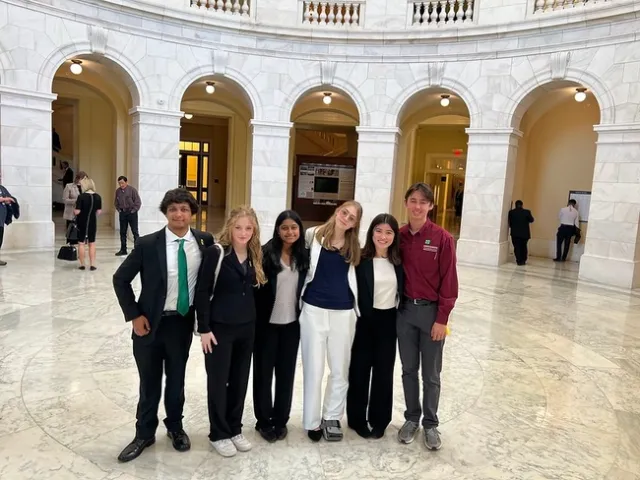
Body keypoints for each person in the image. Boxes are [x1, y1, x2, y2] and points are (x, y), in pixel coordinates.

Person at [113, 188, 214, 463]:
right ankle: (144, 433)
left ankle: (175, 427)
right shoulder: (148, 244)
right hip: (149, 325)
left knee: (177, 380)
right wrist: (134, 315)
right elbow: (120, 279)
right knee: (149, 382)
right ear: (165, 213)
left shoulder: (204, 242)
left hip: (181, 323)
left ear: (193, 213)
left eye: (184, 209)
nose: (178, 214)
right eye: (173, 209)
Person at [195, 206, 266, 458]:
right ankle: (219, 433)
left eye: (248, 228)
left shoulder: (255, 254)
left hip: (246, 328)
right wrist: (203, 328)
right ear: (230, 227)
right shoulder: (217, 253)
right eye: (238, 227)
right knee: (218, 381)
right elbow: (202, 292)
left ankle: (235, 428)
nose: (243, 232)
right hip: (219, 329)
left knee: (239, 380)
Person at [397, 182, 458, 451]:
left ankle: (431, 424)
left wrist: (442, 319)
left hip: (432, 314)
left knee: (431, 374)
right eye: (413, 200)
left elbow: (450, 282)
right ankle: (412, 418)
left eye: (423, 201)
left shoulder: (443, 238)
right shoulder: (398, 236)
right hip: (405, 312)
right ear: (406, 203)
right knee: (409, 370)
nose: (418, 206)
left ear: (431, 206)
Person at [299, 200, 363, 443]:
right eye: (344, 212)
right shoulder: (312, 235)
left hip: (343, 313)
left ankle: (332, 416)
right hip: (313, 310)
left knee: (339, 368)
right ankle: (312, 421)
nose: (346, 218)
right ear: (337, 212)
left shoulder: (355, 246)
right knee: (313, 368)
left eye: (352, 217)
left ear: (355, 224)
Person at [253, 210, 309, 443]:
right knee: (263, 375)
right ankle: (264, 421)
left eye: (294, 228)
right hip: (266, 326)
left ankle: (280, 420)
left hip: (292, 326)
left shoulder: (304, 256)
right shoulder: (265, 254)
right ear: (277, 230)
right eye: (285, 228)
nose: (290, 232)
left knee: (286, 375)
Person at [346, 213, 404, 440]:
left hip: (388, 322)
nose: (383, 236)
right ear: (371, 233)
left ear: (394, 236)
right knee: (359, 371)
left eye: (389, 232)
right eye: (379, 231)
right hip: (364, 321)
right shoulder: (360, 259)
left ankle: (380, 420)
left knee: (383, 372)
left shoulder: (398, 262)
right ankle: (357, 419)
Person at [74, 177, 102, 270]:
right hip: (92, 222)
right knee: (92, 243)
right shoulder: (98, 196)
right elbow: (99, 212)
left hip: (82, 222)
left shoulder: (81, 197)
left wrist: (74, 211)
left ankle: (82, 264)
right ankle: (92, 264)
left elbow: (77, 211)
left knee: (81, 243)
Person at [114, 175, 142, 256]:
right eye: (119, 183)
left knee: (135, 231)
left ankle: (137, 250)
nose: (121, 185)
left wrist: (133, 210)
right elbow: (116, 202)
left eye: (122, 183)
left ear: (126, 182)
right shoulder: (118, 191)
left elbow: (138, 202)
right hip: (122, 213)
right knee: (122, 232)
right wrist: (119, 210)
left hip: (131, 213)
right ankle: (123, 249)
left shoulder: (132, 190)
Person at [62, 171, 87, 245]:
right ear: (78, 178)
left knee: (82, 234)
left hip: (82, 213)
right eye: (82, 179)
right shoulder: (69, 186)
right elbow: (65, 200)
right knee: (72, 232)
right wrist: (76, 201)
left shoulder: (86, 188)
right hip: (72, 213)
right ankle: (71, 248)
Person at [508, 200, 535, 266]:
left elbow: (510, 223)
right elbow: (532, 220)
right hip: (525, 234)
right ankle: (523, 260)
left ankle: (519, 261)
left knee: (517, 247)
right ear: (522, 205)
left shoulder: (511, 212)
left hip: (515, 233)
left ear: (515, 205)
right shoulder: (527, 212)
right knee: (524, 246)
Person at [0, 173, 19, 267]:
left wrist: (8, 200)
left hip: (1, 220)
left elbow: (8, 197)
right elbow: (3, 198)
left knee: (0, 240)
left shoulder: (2, 188)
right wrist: (4, 199)